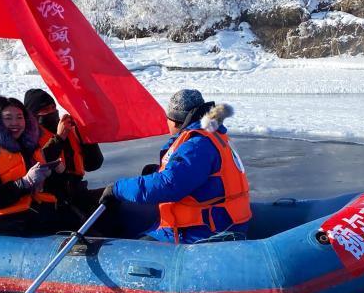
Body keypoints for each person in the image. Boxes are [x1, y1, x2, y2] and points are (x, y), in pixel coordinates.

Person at [99, 89, 251, 244]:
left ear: (175, 120)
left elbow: (169, 185)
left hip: (202, 233)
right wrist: (157, 172)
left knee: (132, 250)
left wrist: (118, 189)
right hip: (225, 221)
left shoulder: (197, 145)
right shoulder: (213, 135)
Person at [0, 94, 75, 236]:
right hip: (2, 223)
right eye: (8, 118)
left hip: (34, 216)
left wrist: (60, 173)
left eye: (19, 117)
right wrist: (25, 182)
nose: (15, 123)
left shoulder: (30, 147)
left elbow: (48, 187)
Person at [23, 88, 104, 212]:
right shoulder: (27, 137)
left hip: (77, 192)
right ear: (33, 115)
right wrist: (59, 138)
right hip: (50, 201)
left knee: (113, 196)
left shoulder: (69, 128)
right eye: (45, 110)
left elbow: (94, 164)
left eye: (53, 107)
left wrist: (86, 137)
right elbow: (36, 163)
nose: (51, 112)